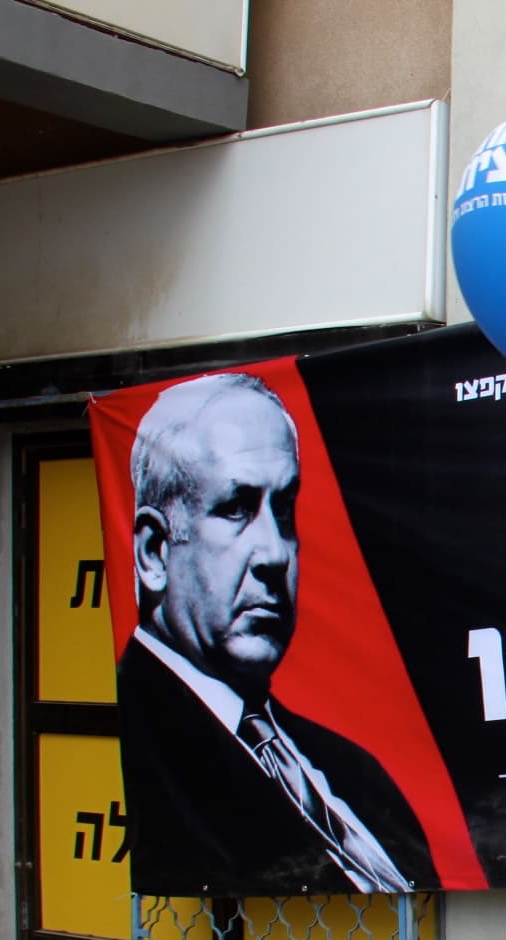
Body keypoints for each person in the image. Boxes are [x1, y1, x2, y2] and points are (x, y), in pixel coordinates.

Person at [118, 372, 433, 895]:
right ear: (154, 552)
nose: (274, 553)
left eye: (282, 509)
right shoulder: (146, 750)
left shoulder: (349, 769)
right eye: (236, 508)